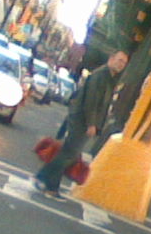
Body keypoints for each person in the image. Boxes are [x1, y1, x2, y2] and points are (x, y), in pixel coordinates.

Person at [33, 49, 129, 197]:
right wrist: (91, 124)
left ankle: (52, 186)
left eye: (124, 62)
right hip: (81, 121)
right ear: (111, 59)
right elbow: (91, 101)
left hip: (82, 120)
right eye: (119, 60)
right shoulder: (100, 76)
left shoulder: (109, 78)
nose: (121, 64)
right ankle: (42, 177)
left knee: (68, 154)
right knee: (69, 154)